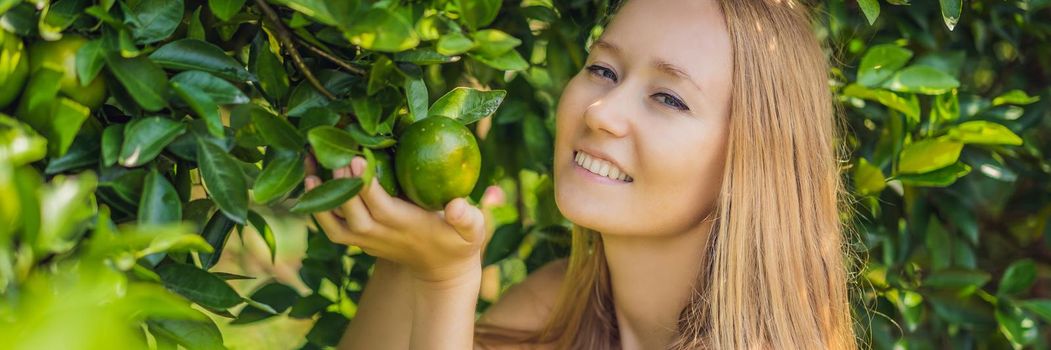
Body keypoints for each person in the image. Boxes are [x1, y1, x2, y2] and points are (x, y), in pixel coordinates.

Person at [303, 0, 859, 348]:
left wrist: (446, 282)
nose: (601, 111)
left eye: (668, 97)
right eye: (602, 69)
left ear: (755, 161)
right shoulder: (553, 311)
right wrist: (414, 252)